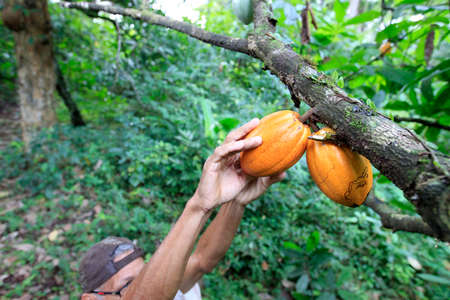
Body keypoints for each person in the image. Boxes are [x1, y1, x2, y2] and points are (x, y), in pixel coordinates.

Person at [79, 118, 285, 299]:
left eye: (145, 274)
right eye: (128, 286)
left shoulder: (165, 289)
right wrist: (199, 206)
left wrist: (237, 201)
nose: (146, 284)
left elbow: (201, 260)